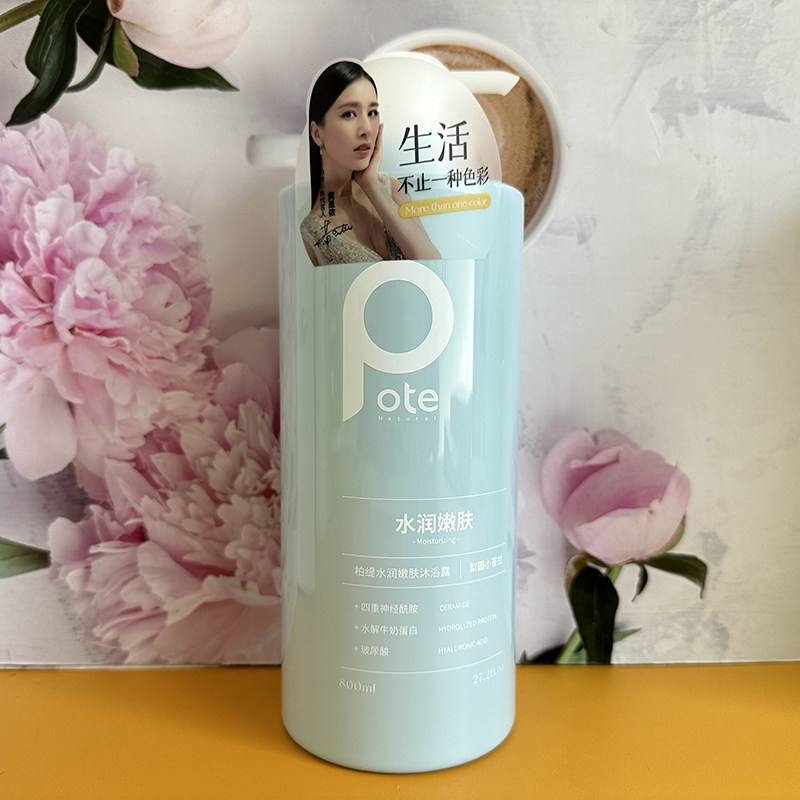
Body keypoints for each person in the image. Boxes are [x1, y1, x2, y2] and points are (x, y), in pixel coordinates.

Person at [301, 61, 440, 266]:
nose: (366, 129)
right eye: (349, 114)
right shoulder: (311, 235)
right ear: (317, 134)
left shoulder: (390, 187)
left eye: (372, 112)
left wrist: (371, 185)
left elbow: (435, 266)